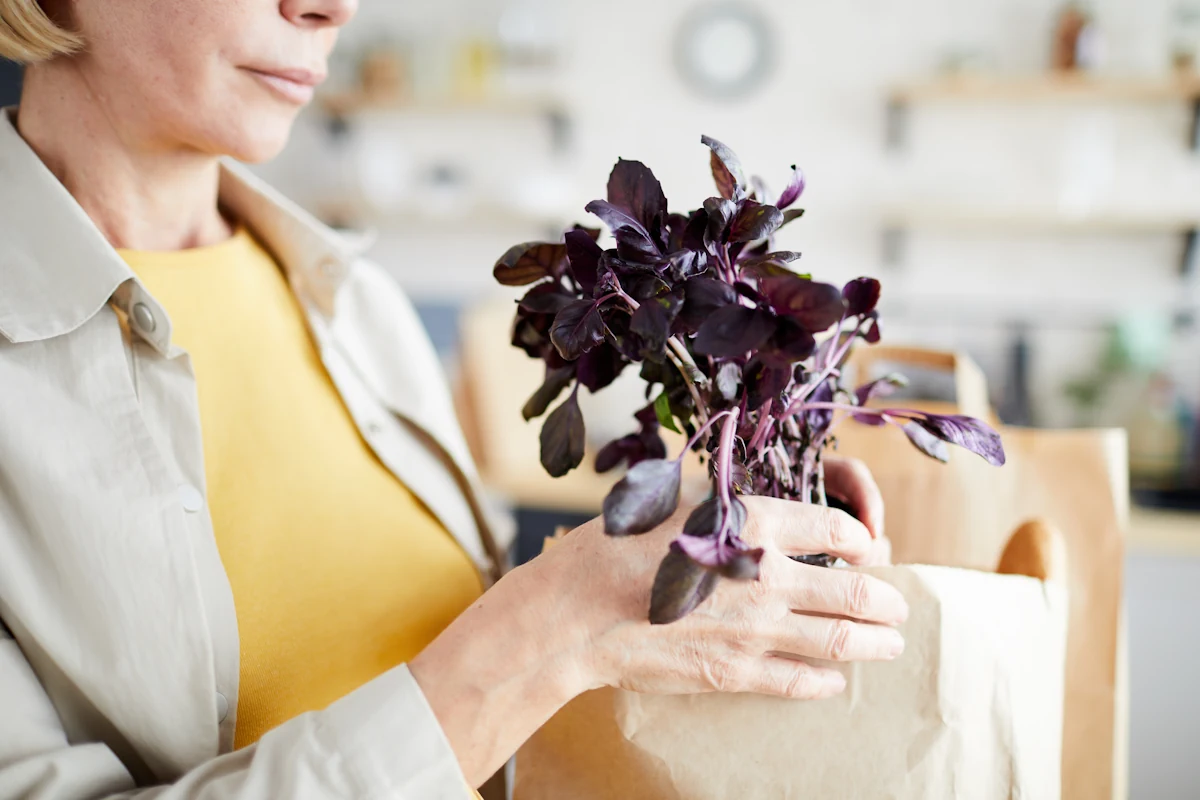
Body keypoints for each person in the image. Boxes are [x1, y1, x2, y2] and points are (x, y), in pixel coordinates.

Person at [0, 1, 905, 797]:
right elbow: (511, 659)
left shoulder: (354, 303)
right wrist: (550, 628)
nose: (332, 7)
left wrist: (685, 564)